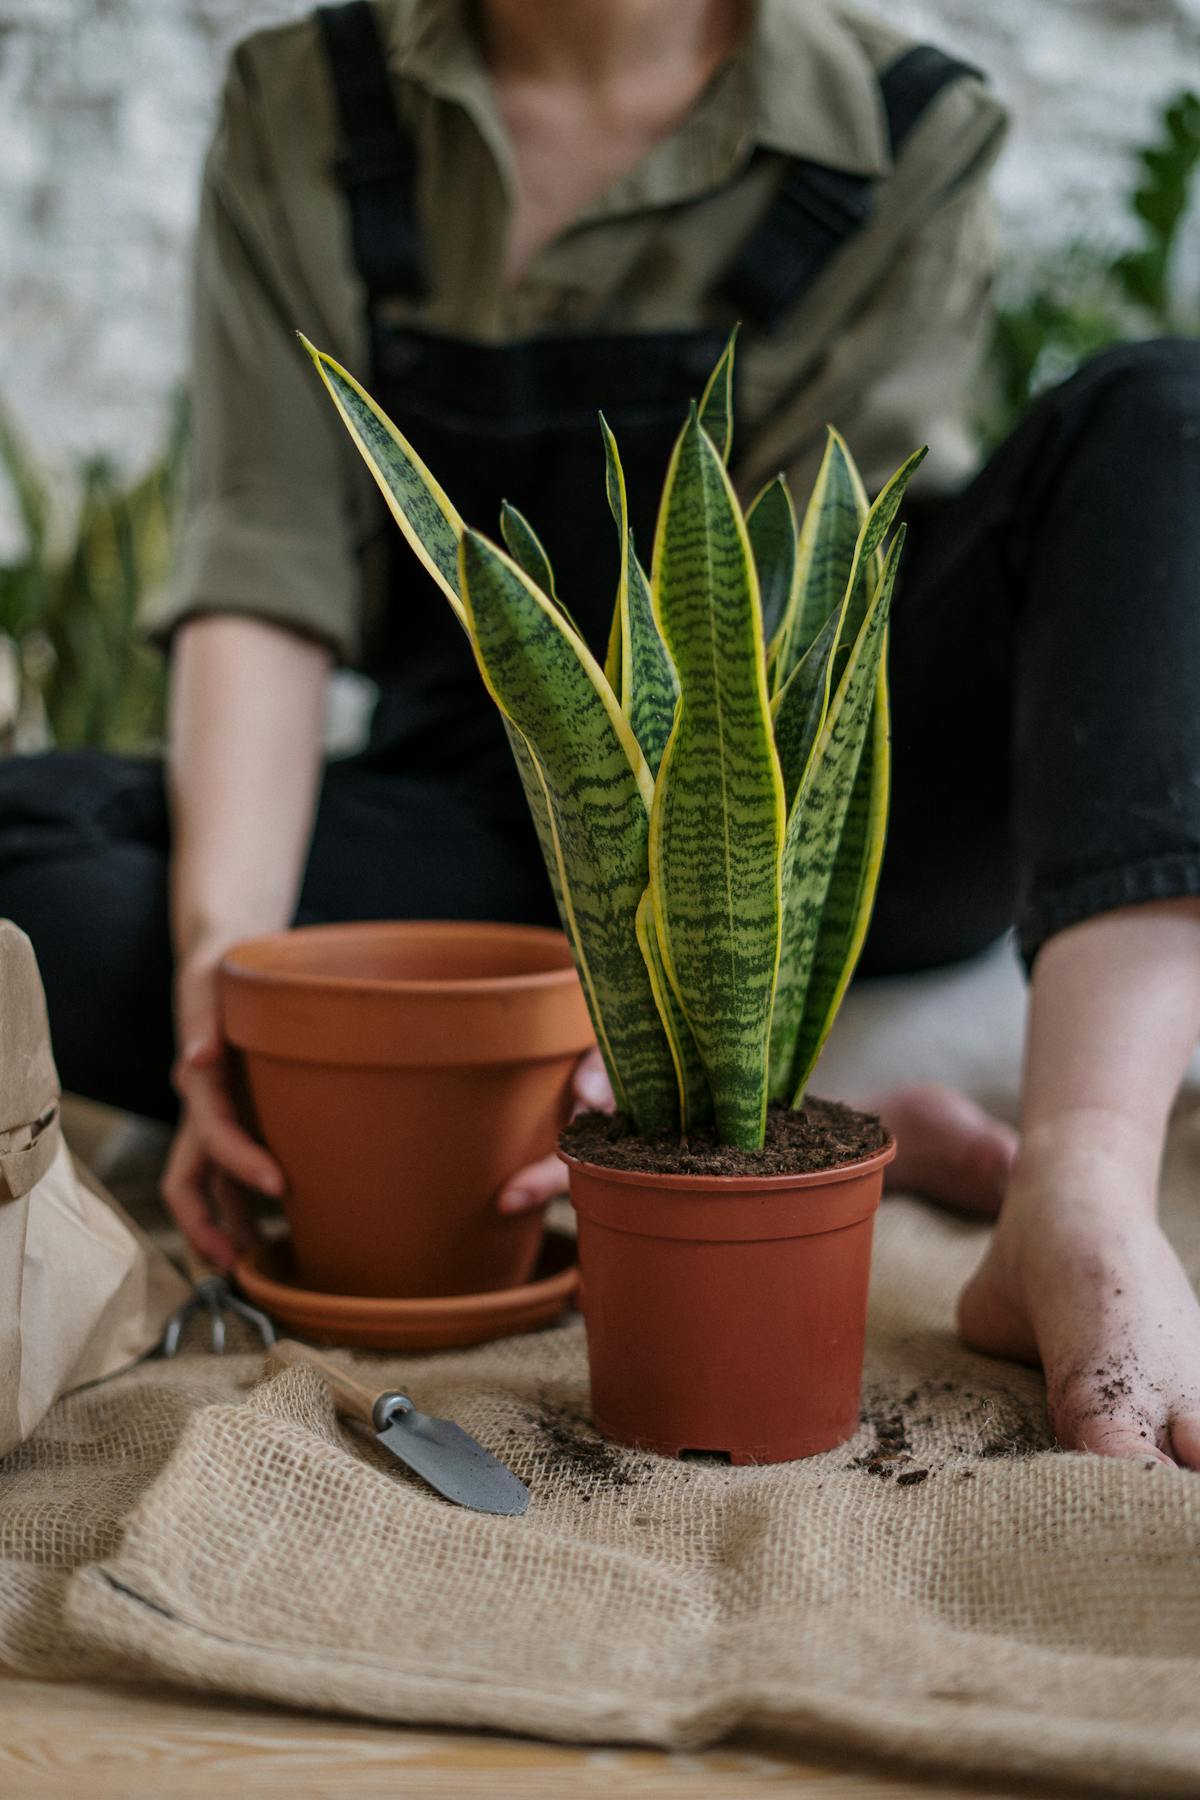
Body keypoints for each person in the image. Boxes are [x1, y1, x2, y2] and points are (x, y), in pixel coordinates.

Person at [2, 0, 1198, 1465]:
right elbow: (266, 567)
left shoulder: (901, 125)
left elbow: (800, 597)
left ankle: (1071, 1176)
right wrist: (221, 986)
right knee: (31, 854)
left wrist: (683, 960)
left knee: (1167, 413)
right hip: (479, 803)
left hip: (803, 845)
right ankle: (788, 1113)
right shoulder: (308, 98)